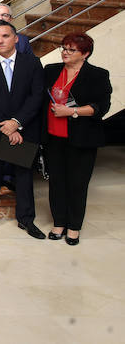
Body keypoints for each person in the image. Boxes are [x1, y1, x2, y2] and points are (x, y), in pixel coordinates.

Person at [0, 21, 45, 239]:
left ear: (16, 39)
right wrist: (6, 125)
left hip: (22, 130)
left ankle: (26, 220)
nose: (0, 40)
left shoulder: (32, 63)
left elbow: (37, 96)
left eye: (5, 36)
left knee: (23, 177)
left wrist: (17, 122)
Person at [44, 33, 111, 245]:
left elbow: (101, 107)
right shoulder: (51, 70)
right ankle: (59, 222)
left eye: (71, 49)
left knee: (77, 184)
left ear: (85, 54)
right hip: (53, 137)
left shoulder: (97, 75)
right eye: (64, 47)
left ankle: (74, 227)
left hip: (82, 138)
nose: (65, 52)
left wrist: (72, 112)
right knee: (56, 183)